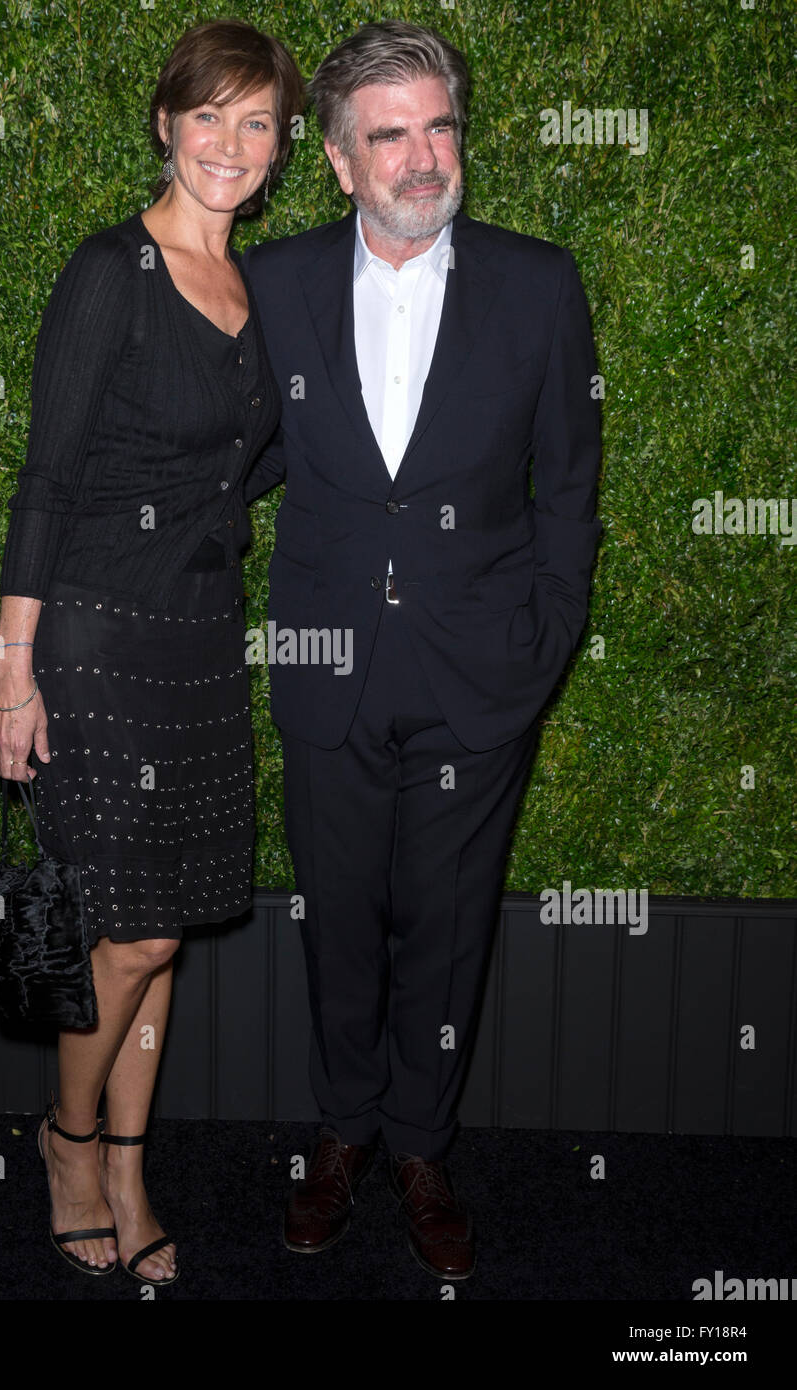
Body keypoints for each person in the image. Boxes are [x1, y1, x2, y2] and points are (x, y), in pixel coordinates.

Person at [243, 20, 602, 1279]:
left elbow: (569, 484)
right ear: (338, 160)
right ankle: (342, 1133)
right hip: (328, 663)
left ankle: (419, 1146)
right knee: (337, 918)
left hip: (476, 678)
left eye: (437, 125)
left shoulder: (537, 282)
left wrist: (542, 643)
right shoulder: (274, 285)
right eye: (386, 134)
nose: (419, 156)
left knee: (447, 927)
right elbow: (229, 463)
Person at [0, 19, 304, 1281]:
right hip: (96, 641)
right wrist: (12, 666)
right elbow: (44, 477)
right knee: (120, 934)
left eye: (258, 121)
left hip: (202, 645)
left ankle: (129, 1158)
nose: (231, 143)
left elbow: (261, 453)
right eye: (209, 115)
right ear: (165, 125)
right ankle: (71, 1145)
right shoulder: (108, 271)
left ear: (281, 148)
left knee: (163, 930)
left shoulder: (259, 291)